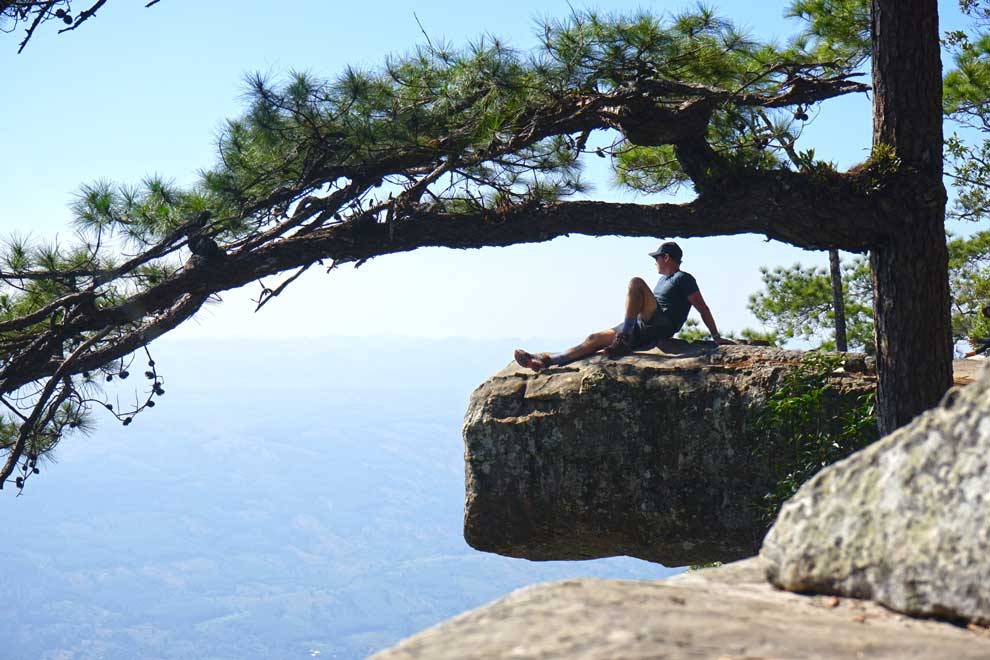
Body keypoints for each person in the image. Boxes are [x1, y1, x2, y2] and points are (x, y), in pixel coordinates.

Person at [514, 242, 734, 371]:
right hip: (642, 325)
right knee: (593, 339)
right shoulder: (662, 281)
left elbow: (702, 308)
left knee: (635, 283)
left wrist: (716, 336)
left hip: (660, 322)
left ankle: (624, 337)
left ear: (666, 257)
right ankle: (545, 360)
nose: (655, 261)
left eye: (657, 258)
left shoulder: (683, 278)